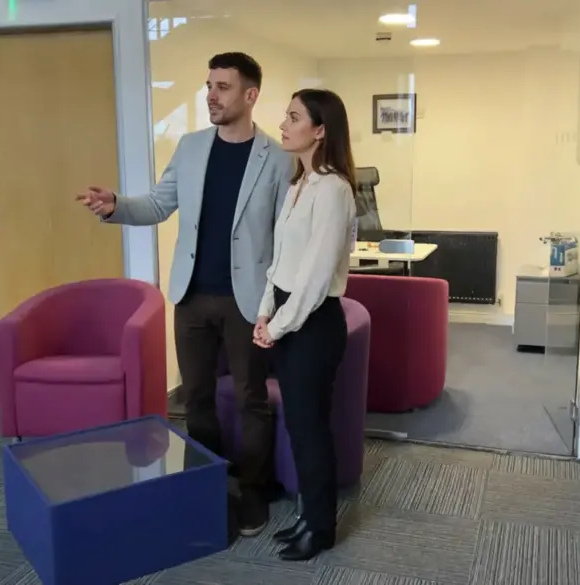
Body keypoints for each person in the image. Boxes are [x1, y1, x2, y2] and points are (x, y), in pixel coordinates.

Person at [77, 52, 292, 537]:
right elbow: (159, 204)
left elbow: (284, 237)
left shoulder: (278, 160)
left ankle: (253, 491)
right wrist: (116, 206)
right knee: (196, 398)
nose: (211, 95)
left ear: (251, 95)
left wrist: (276, 305)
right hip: (191, 295)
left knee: (250, 399)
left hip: (247, 300)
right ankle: (208, 485)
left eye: (223, 87)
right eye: (209, 85)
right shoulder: (191, 147)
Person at [252, 89, 357, 561]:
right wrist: (264, 311)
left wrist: (277, 327)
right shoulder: (301, 184)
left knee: (311, 430)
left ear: (320, 130)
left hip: (313, 324)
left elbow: (314, 279)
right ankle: (308, 516)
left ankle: (320, 528)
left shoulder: (333, 190)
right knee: (298, 426)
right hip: (288, 317)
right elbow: (280, 264)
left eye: (293, 117)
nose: (283, 124)